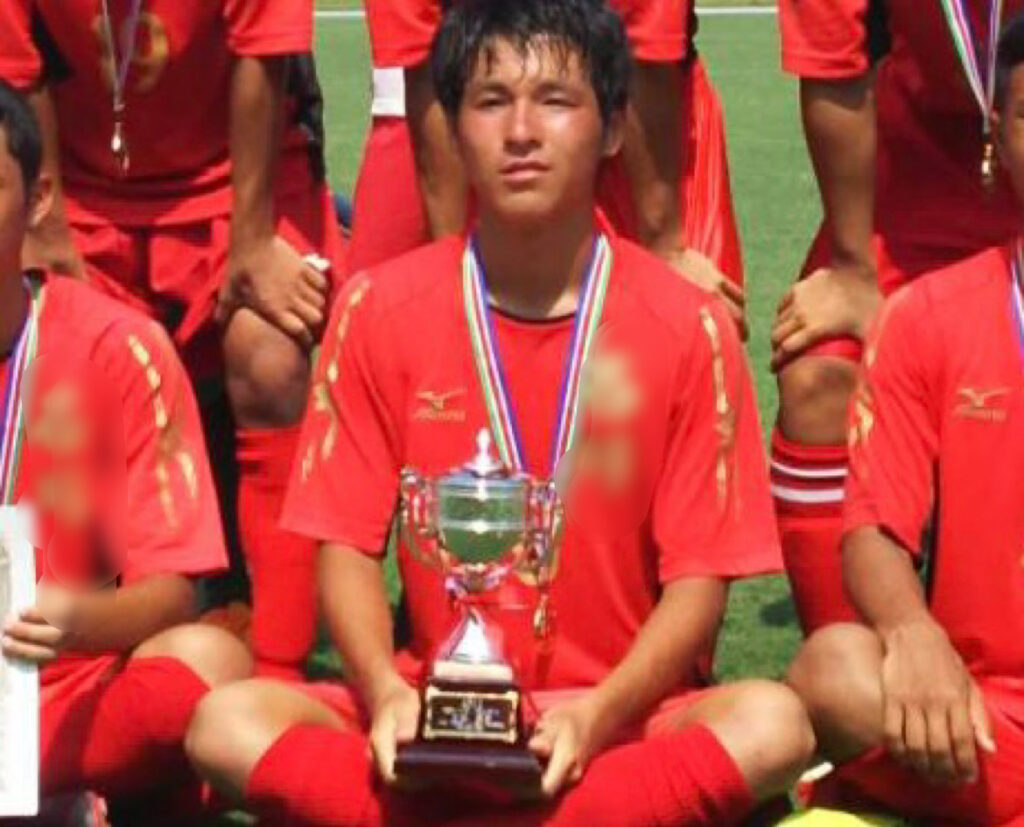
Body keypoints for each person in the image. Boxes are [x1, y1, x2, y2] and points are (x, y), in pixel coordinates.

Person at [185, 2, 814, 824]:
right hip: (430, 698)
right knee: (226, 720)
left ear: (612, 128)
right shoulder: (378, 308)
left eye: (555, 100)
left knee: (774, 723)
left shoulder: (687, 323)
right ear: (452, 128)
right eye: (490, 102)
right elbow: (344, 546)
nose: (521, 131)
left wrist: (598, 713)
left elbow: (699, 585)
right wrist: (384, 691)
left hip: (617, 713)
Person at [0, 0, 345, 680]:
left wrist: (251, 240)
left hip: (232, 183)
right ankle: (100, 642)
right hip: (80, 194)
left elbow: (263, 49)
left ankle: (277, 669)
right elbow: (18, 70)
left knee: (269, 357)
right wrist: (49, 233)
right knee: (57, 351)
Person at [787, 16, 1024, 823]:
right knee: (832, 672)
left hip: (980, 750)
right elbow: (873, 529)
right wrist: (911, 629)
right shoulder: (928, 315)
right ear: (998, 134)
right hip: (979, 703)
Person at [0, 80, 250, 824]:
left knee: (207, 664)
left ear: (38, 200)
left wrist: (76, 618)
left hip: (57, 687)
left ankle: (46, 782)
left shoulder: (119, 348)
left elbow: (171, 590)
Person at [350, 0, 747, 333]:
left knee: (687, 331)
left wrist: (665, 246)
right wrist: (450, 255)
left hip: (640, 123)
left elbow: (649, 40)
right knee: (393, 332)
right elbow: (419, 49)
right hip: (457, 111)